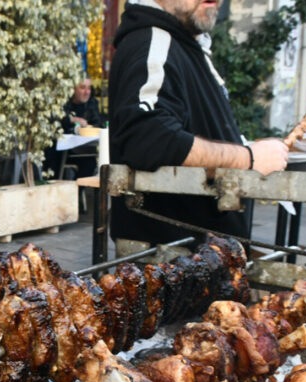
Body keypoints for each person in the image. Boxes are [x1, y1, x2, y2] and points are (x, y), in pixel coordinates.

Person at [108, 0, 289, 256]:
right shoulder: (153, 42)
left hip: (203, 259)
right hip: (174, 265)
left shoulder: (182, 44)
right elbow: (147, 138)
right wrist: (248, 158)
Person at [45, 77, 102, 179]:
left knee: (91, 162)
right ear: (73, 89)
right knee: (52, 154)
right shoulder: (63, 103)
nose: (87, 92)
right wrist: (71, 120)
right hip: (61, 151)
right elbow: (55, 122)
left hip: (84, 150)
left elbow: (97, 123)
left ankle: (79, 191)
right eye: (82, 88)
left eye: (89, 88)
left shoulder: (92, 103)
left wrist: (87, 127)